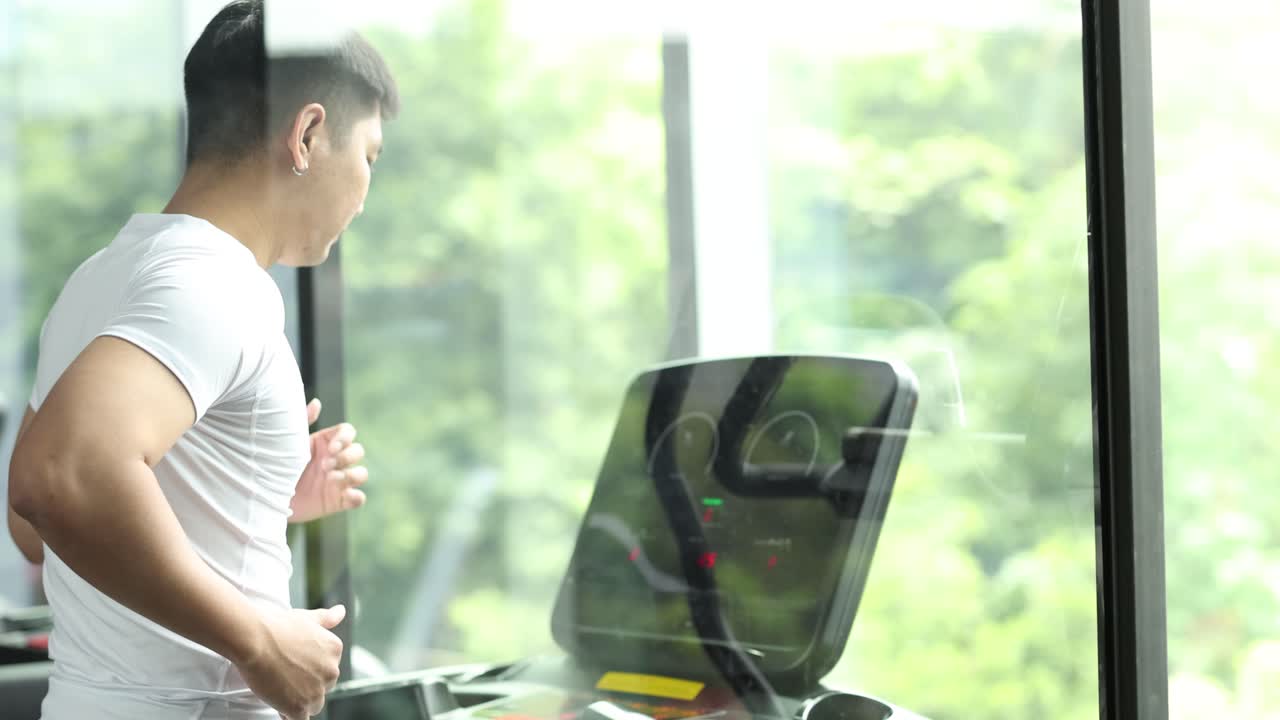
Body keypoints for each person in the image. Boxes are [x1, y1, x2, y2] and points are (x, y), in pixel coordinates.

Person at [5, 1, 399, 718]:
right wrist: (258, 641)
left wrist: (257, 495)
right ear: (308, 134)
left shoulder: (104, 275)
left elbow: (34, 531)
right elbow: (55, 480)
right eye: (368, 155)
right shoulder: (216, 286)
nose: (366, 195)